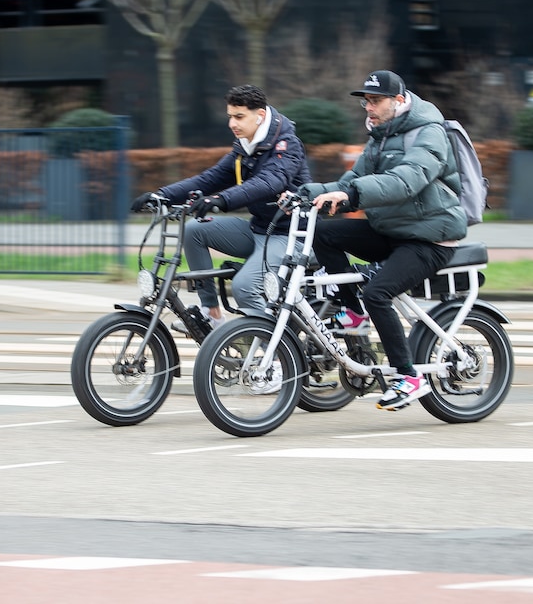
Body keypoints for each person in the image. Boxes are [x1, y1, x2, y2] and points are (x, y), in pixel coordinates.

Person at [299, 70, 467, 410]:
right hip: (391, 232)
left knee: (378, 293)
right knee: (322, 232)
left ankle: (408, 377)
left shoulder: (428, 133)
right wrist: (304, 193)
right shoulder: (380, 136)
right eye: (366, 101)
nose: (369, 108)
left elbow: (407, 180)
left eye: (376, 101)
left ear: (399, 101)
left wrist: (353, 196)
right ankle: (352, 310)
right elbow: (352, 179)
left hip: (429, 238)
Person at [130, 85, 309, 330]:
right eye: (229, 117)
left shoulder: (287, 145)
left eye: (239, 117)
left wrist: (221, 200)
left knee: (244, 286)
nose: (232, 124)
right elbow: (209, 179)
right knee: (195, 230)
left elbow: (270, 181)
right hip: (259, 230)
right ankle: (211, 314)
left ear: (261, 116)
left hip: (289, 236)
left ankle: (278, 355)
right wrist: (161, 195)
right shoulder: (245, 147)